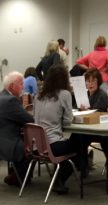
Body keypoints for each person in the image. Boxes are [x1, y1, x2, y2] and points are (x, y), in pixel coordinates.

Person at [0, 71, 34, 187]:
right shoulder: (10, 101)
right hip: (1, 142)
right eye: (21, 84)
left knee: (24, 140)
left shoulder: (2, 96)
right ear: (12, 86)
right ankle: (18, 178)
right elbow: (29, 120)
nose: (23, 87)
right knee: (30, 148)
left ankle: (16, 175)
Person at [33, 64, 78, 194]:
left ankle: (66, 171)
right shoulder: (64, 94)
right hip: (53, 145)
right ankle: (61, 178)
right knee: (80, 141)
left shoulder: (38, 96)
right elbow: (68, 121)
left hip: (37, 146)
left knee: (73, 143)